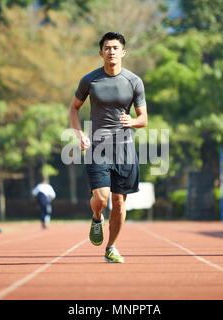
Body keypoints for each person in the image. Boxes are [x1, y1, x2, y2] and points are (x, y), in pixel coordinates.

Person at [69, 32, 148, 263]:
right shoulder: (90, 80)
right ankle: (96, 216)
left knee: (119, 202)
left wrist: (131, 121)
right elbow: (74, 108)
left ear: (123, 52)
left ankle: (111, 247)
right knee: (102, 199)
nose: (111, 51)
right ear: (101, 52)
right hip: (98, 146)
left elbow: (143, 119)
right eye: (107, 48)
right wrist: (79, 133)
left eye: (115, 48)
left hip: (124, 149)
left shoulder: (134, 81)